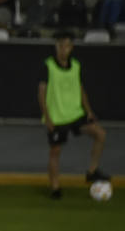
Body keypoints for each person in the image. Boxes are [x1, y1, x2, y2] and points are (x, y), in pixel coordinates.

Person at [39, 31, 109, 198]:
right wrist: (47, 118)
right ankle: (55, 188)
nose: (63, 49)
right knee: (55, 152)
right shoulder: (48, 65)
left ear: (71, 47)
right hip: (57, 117)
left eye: (67, 46)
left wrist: (89, 111)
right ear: (56, 47)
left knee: (100, 134)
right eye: (60, 45)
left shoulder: (76, 65)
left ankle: (92, 171)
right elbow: (41, 93)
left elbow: (80, 89)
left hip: (75, 114)